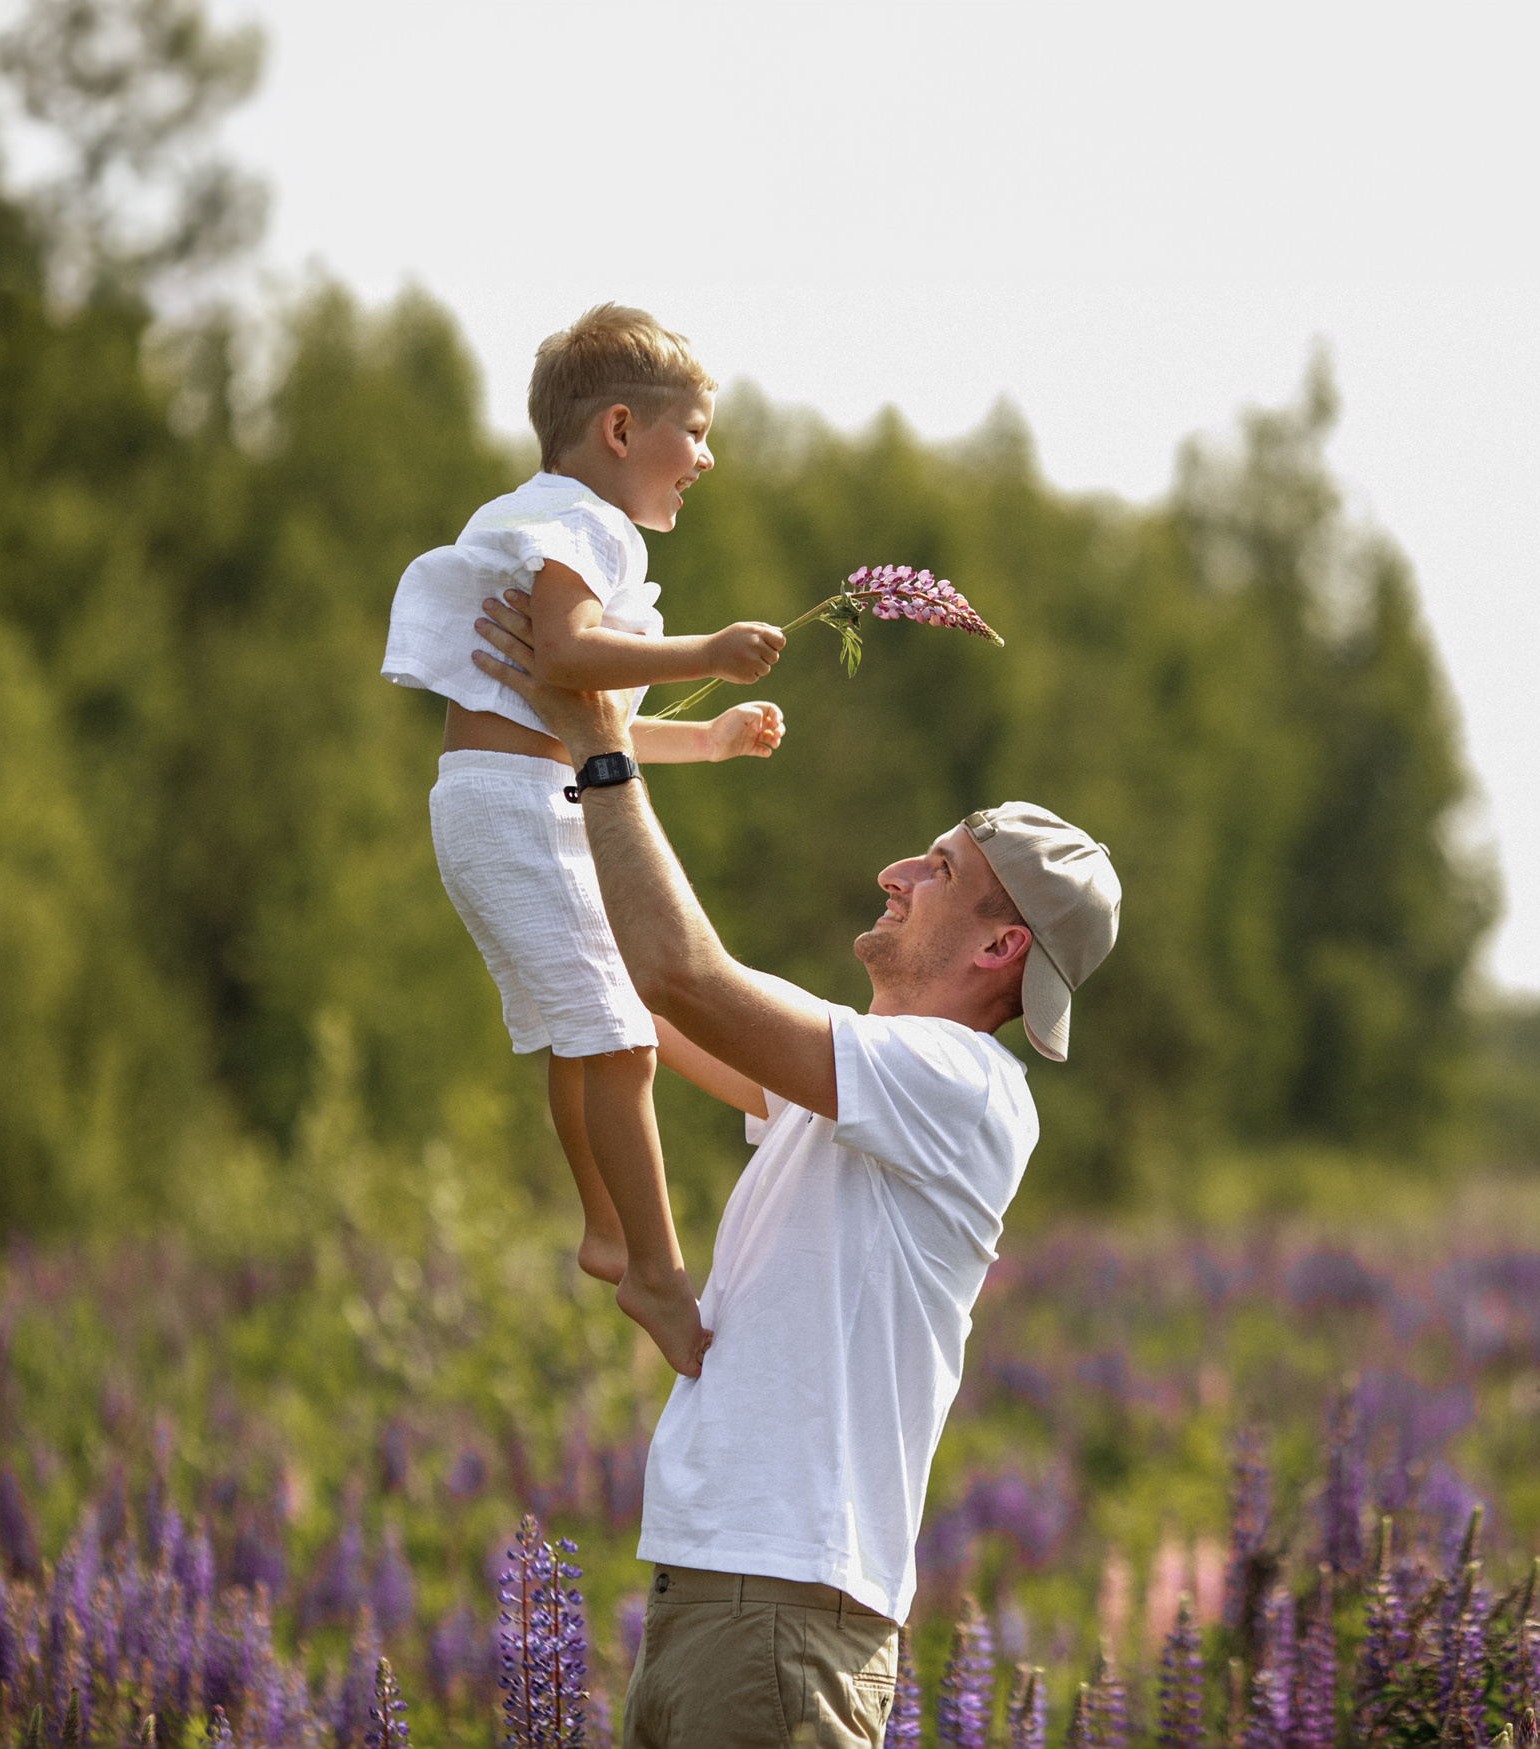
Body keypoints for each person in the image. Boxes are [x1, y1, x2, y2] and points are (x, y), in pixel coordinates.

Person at [470, 591, 1121, 1749]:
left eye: (937, 868)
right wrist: (542, 783)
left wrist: (605, 746)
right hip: (717, 1602)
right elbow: (642, 994)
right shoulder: (856, 1085)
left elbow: (683, 977)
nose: (893, 871)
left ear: (1000, 945)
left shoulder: (963, 1087)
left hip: (782, 1622)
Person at [381, 303, 793, 1377]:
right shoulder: (591, 526)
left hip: (505, 792)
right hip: (519, 806)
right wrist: (707, 650)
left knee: (591, 1029)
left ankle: (609, 1228)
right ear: (620, 430)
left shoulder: (535, 513)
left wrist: (705, 739)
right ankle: (652, 1267)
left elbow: (572, 713)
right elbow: (565, 658)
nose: (705, 458)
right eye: (692, 432)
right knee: (619, 1039)